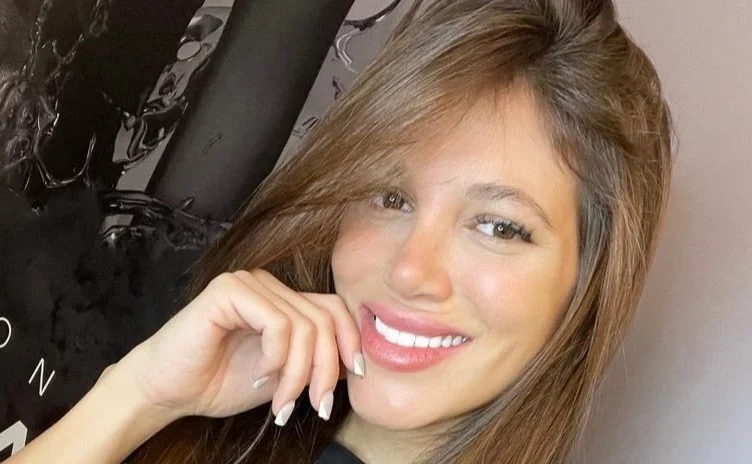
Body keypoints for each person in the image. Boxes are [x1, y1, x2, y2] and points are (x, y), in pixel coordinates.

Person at [2, 0, 674, 462]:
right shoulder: (229, 426)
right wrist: (140, 396)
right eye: (390, 196)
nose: (410, 269)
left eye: (498, 225)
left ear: (585, 278)